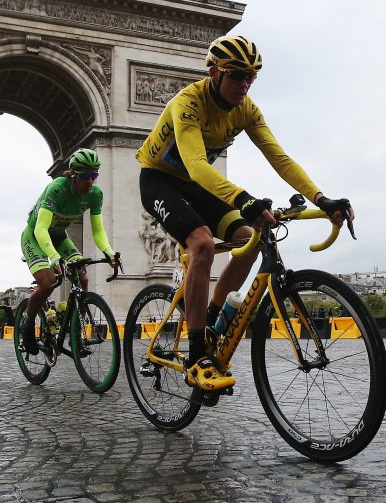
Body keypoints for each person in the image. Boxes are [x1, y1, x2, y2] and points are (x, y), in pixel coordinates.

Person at [136, 35, 353, 392]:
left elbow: (279, 158)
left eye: (252, 76)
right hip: (159, 180)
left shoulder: (246, 108)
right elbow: (194, 164)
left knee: (251, 239)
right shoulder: (188, 102)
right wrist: (245, 199)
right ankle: (197, 352)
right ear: (214, 72)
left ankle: (211, 317)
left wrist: (321, 198)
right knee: (203, 245)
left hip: (196, 183)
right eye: (237, 75)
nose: (245, 84)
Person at [18, 148, 118, 354]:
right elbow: (41, 229)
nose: (90, 181)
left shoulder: (95, 194)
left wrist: (109, 251)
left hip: (59, 236)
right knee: (47, 282)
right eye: (85, 176)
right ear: (73, 174)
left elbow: (98, 230)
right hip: (35, 236)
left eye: (94, 175)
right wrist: (54, 258)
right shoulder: (57, 188)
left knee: (83, 278)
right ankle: (27, 325)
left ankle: (73, 331)